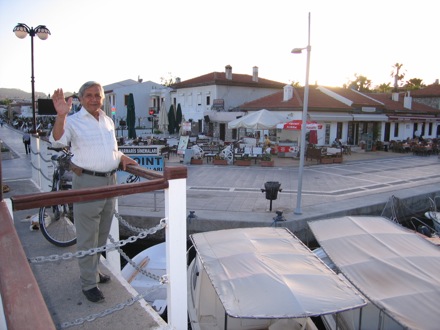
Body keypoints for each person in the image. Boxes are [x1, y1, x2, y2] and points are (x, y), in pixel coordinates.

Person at [50, 81, 138, 303]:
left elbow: (112, 149)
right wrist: (61, 116)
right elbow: (57, 141)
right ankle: (88, 284)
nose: (93, 99)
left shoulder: (107, 120)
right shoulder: (73, 121)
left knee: (101, 233)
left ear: (103, 98)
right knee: (88, 235)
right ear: (80, 99)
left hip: (110, 181)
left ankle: (94, 271)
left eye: (97, 95)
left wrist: (121, 157)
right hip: (88, 183)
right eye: (88, 95)